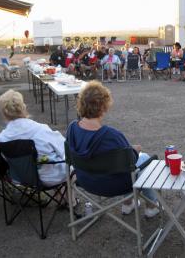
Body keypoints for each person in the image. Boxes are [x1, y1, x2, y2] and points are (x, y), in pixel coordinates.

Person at [66, 81, 160, 218]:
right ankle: (151, 206)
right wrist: (135, 149)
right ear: (104, 107)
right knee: (144, 158)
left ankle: (129, 204)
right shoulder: (110, 135)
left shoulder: (72, 129)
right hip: (114, 185)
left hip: (85, 181)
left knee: (126, 164)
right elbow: (130, 160)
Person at [0, 89, 67, 187]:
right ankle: (72, 201)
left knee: (52, 160)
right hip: (49, 177)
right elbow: (64, 149)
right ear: (23, 107)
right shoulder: (40, 129)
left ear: (4, 113)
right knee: (68, 163)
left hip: (19, 178)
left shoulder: (2, 138)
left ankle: (63, 198)